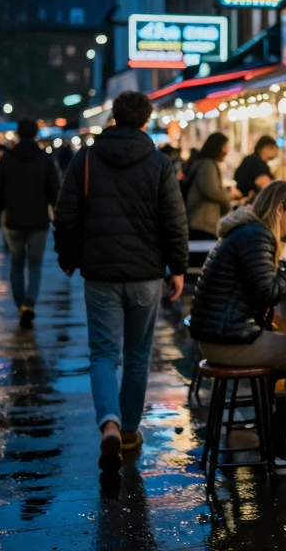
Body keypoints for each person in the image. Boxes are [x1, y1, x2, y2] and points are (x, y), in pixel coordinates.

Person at [53, 90, 189, 474]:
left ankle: (109, 422)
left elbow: (65, 216)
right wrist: (177, 268)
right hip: (146, 274)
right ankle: (129, 431)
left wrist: (67, 257)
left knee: (102, 353)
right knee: (137, 355)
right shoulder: (160, 163)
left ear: (113, 117)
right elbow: (174, 221)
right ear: (146, 121)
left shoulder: (87, 159)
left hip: (100, 273)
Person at [192, 181, 286, 473]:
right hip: (230, 342)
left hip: (220, 336)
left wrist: (284, 265)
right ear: (279, 209)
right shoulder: (257, 236)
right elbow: (268, 292)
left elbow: (258, 284)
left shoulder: (247, 231)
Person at [0, 119, 60, 328]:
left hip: (13, 220)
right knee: (35, 265)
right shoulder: (45, 159)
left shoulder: (6, 160)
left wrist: (2, 208)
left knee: (16, 263)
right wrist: (54, 211)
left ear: (18, 134)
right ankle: (30, 301)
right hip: (39, 221)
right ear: (36, 134)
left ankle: (20, 303)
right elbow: (55, 191)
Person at [185, 132, 240, 240]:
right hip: (202, 222)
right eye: (225, 148)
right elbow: (211, 191)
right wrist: (230, 195)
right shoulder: (207, 165)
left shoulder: (205, 163)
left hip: (203, 222)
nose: (226, 152)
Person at [234, 135, 278, 199]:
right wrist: (255, 182)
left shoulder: (263, 164)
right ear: (266, 148)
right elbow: (240, 179)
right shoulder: (252, 161)